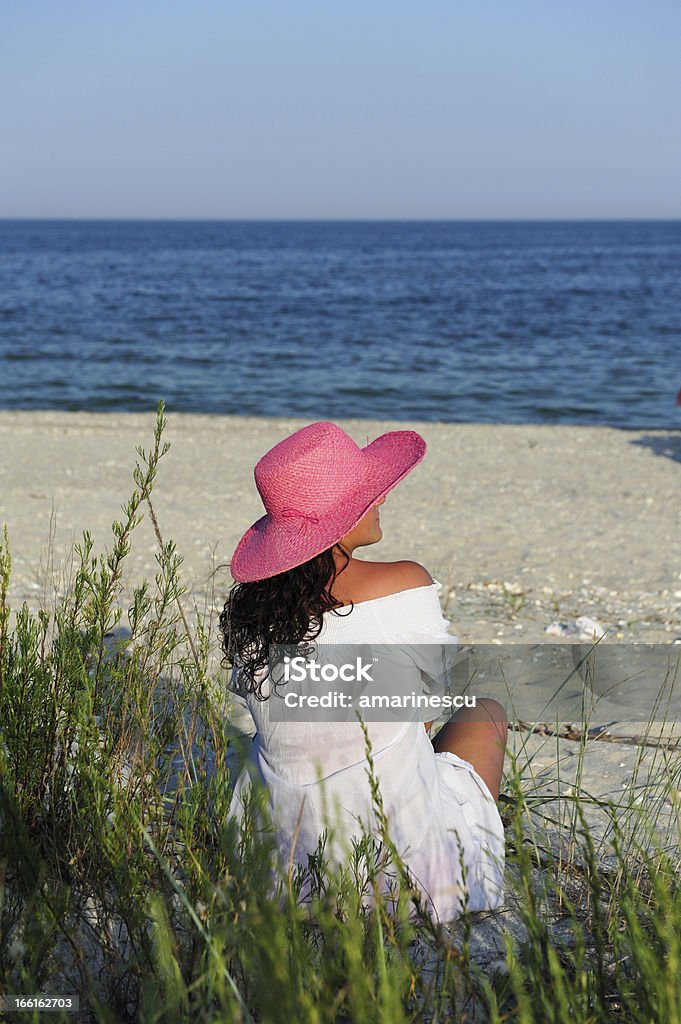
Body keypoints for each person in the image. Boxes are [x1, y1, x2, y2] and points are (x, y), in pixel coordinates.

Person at [220, 420, 507, 921]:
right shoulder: (404, 584)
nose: (381, 500)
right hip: (414, 883)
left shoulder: (253, 617)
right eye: (367, 493)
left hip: (288, 882)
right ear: (337, 518)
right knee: (485, 713)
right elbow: (429, 709)